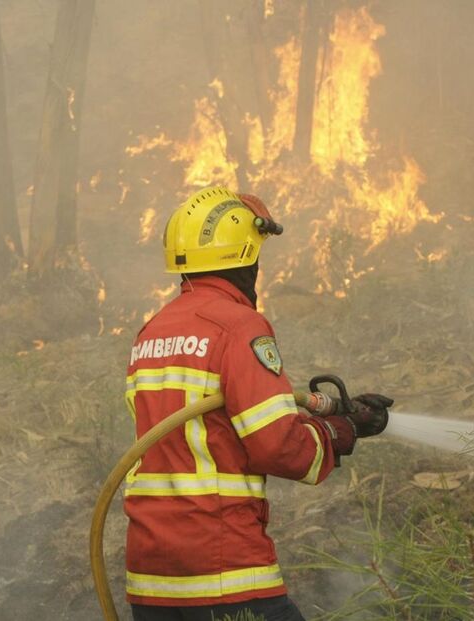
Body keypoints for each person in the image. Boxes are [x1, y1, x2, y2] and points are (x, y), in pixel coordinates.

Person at [124, 187, 393, 620]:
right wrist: (339, 432)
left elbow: (204, 430)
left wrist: (331, 412)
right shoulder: (237, 325)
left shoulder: (153, 332)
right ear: (245, 253)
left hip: (152, 578)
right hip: (223, 566)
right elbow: (275, 444)